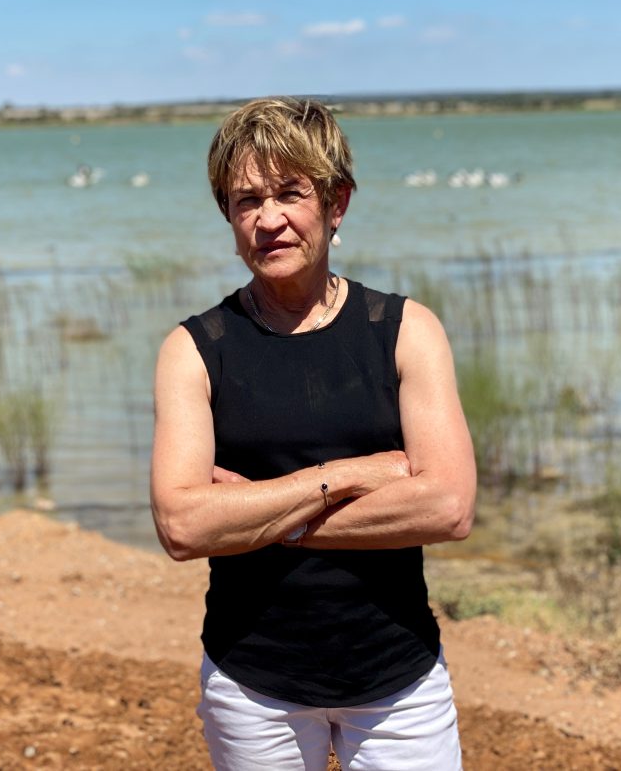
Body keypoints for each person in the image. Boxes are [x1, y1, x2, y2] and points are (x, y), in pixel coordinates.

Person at [150, 96, 477, 770]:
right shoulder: (193, 349)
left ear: (337, 204)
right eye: (246, 201)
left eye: (290, 193)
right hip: (252, 683)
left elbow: (448, 506)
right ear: (228, 217)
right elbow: (183, 526)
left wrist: (252, 514)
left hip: (401, 680)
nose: (269, 219)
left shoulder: (406, 331)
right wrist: (353, 476)